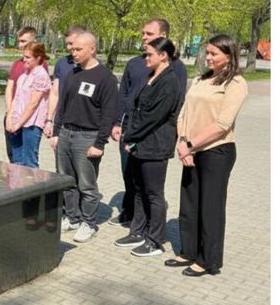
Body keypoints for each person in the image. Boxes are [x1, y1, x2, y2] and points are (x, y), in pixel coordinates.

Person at [168, 34, 248, 276]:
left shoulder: (235, 84)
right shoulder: (200, 80)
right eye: (208, 52)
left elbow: (223, 124)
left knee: (210, 207)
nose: (209, 57)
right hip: (190, 149)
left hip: (216, 151)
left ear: (229, 56)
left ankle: (208, 260)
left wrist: (191, 144)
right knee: (190, 204)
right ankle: (188, 251)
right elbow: (183, 113)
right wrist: (183, 142)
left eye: (214, 53)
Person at [109, 18, 189, 227]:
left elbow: (175, 102)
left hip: (153, 133)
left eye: (149, 34)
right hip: (129, 127)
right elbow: (123, 93)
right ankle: (130, 211)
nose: (144, 37)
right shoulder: (135, 63)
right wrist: (117, 122)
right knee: (129, 173)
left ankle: (149, 224)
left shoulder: (176, 68)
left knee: (148, 182)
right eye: (143, 33)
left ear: (163, 37)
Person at [51, 32, 118, 243]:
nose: (74, 53)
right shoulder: (73, 73)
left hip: (87, 136)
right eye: (72, 49)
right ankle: (72, 217)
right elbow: (62, 105)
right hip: (66, 133)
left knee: (87, 184)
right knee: (66, 181)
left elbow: (108, 114)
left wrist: (99, 143)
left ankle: (88, 222)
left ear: (92, 49)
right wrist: (56, 132)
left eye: (78, 49)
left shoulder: (105, 78)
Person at [4, 26, 49, 161]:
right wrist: (10, 115)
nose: (24, 60)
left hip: (31, 122)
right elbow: (14, 95)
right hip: (16, 116)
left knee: (29, 160)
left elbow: (33, 103)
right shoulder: (23, 72)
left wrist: (19, 123)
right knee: (15, 158)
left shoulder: (40, 72)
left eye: (28, 57)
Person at [44, 25, 86, 141]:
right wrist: (49, 120)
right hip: (62, 124)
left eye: (71, 43)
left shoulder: (94, 67)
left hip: (85, 129)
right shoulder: (62, 63)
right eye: (67, 44)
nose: (68, 47)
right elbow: (55, 93)